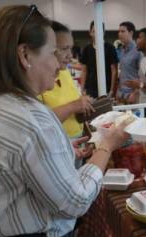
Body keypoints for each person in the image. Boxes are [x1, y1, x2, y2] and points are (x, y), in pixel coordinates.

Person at [0, 5, 130, 237]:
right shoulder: (31, 118)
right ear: (25, 55)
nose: (60, 64)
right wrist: (106, 146)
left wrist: (62, 150)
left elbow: (8, 163)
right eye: (53, 52)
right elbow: (75, 201)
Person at [38, 20, 95, 166]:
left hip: (75, 144)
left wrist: (88, 133)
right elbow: (40, 123)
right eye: (64, 49)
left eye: (71, 48)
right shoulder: (37, 82)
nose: (70, 55)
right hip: (53, 149)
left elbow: (74, 102)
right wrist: (74, 106)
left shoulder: (64, 72)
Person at [80, 21, 118, 98]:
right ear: (90, 32)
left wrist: (111, 90)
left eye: (99, 31)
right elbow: (84, 70)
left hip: (106, 88)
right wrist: (82, 88)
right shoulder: (87, 49)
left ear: (103, 32)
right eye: (94, 31)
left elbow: (114, 71)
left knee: (105, 109)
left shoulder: (110, 48)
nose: (97, 34)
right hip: (90, 88)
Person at [116, 21, 141, 103]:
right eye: (119, 31)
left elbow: (142, 76)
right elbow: (123, 72)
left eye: (123, 31)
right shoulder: (122, 50)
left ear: (131, 33)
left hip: (132, 95)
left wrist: (136, 93)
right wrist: (118, 90)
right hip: (121, 94)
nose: (119, 34)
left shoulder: (138, 51)